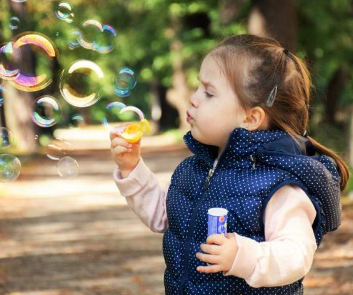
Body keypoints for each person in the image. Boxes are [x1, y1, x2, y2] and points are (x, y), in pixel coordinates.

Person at [110, 34, 350, 295]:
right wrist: (132, 169)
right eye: (198, 87)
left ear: (250, 117)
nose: (193, 98)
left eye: (209, 93)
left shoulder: (277, 185)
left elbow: (296, 254)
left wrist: (243, 256)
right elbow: (165, 216)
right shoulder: (194, 170)